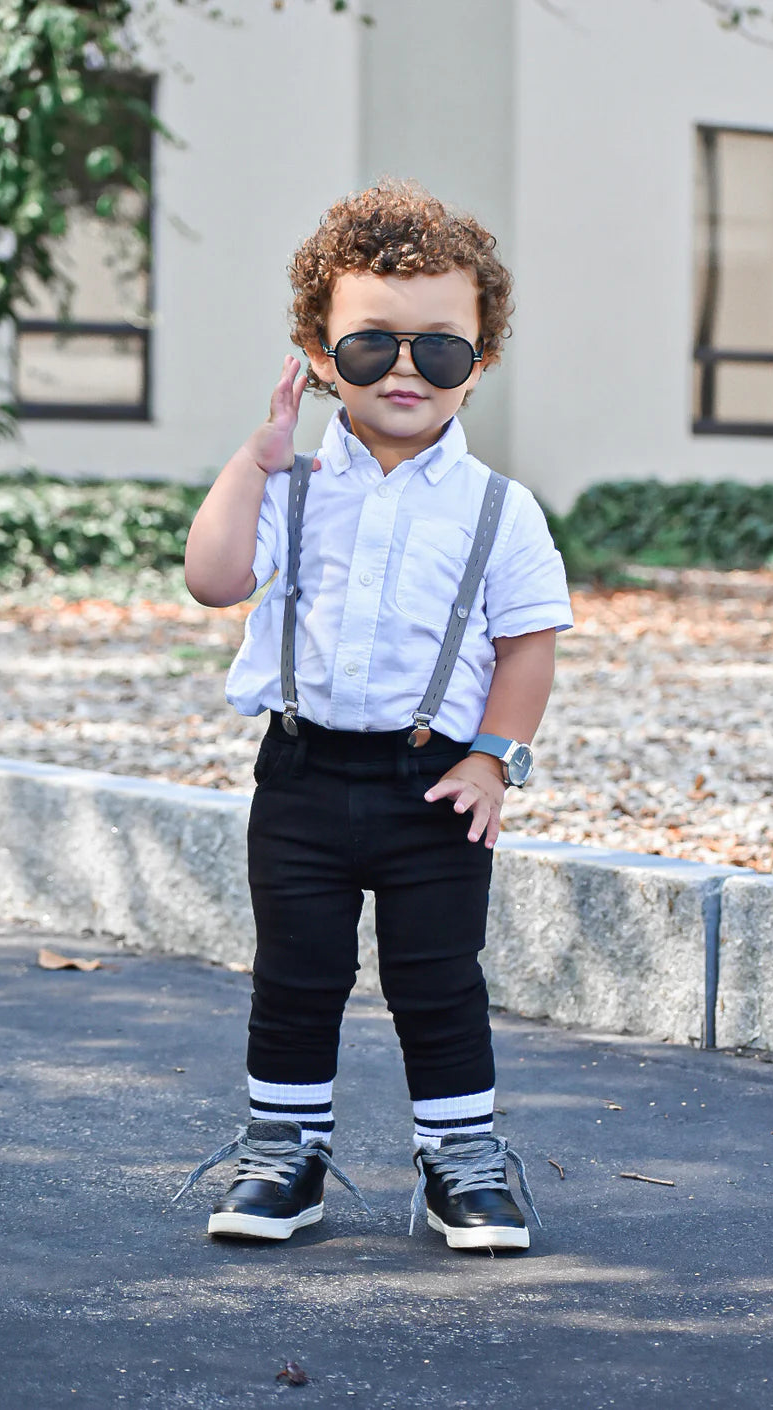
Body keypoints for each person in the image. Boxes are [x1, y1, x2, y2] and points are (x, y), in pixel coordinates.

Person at [176, 180, 573, 1252]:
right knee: (297, 976)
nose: (405, 370)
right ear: (316, 352)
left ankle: (463, 1162)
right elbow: (214, 583)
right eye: (369, 347)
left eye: (439, 350)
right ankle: (284, 1156)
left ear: (478, 363)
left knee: (437, 980)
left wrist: (495, 758)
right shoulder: (292, 486)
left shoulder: (500, 508)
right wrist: (249, 465)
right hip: (301, 778)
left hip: (433, 780)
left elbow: (527, 643)